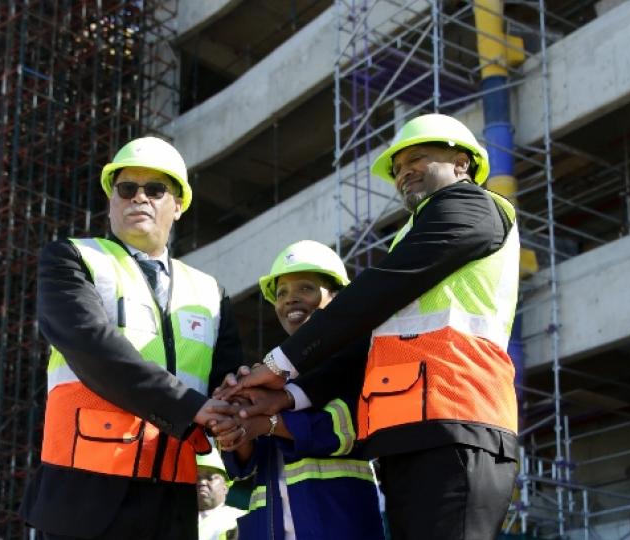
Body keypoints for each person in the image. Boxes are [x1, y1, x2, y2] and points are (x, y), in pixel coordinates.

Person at [220, 114, 520, 540]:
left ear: (462, 163)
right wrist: (285, 395)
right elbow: (366, 346)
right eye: (397, 169)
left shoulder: (474, 207)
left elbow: (376, 292)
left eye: (417, 159)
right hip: (409, 434)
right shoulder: (414, 234)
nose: (404, 173)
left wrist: (281, 363)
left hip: (458, 421)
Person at [20, 136, 243, 540]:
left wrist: (245, 411)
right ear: (112, 202)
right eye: (127, 189)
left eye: (155, 189)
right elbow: (93, 347)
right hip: (85, 496)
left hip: (172, 502)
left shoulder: (211, 292)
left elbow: (227, 381)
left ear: (177, 205)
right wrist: (192, 407)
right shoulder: (72, 258)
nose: (139, 198)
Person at [214, 240, 384, 540]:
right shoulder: (272, 374)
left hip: (339, 524)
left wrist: (268, 422)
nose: (290, 300)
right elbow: (246, 464)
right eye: (281, 294)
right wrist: (235, 417)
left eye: (305, 288)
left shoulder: (358, 360)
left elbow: (345, 430)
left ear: (336, 298)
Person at [196, 450, 245, 540]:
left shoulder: (239, 519)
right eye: (196, 478)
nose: (202, 482)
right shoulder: (174, 519)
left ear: (225, 487)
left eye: (210, 477)